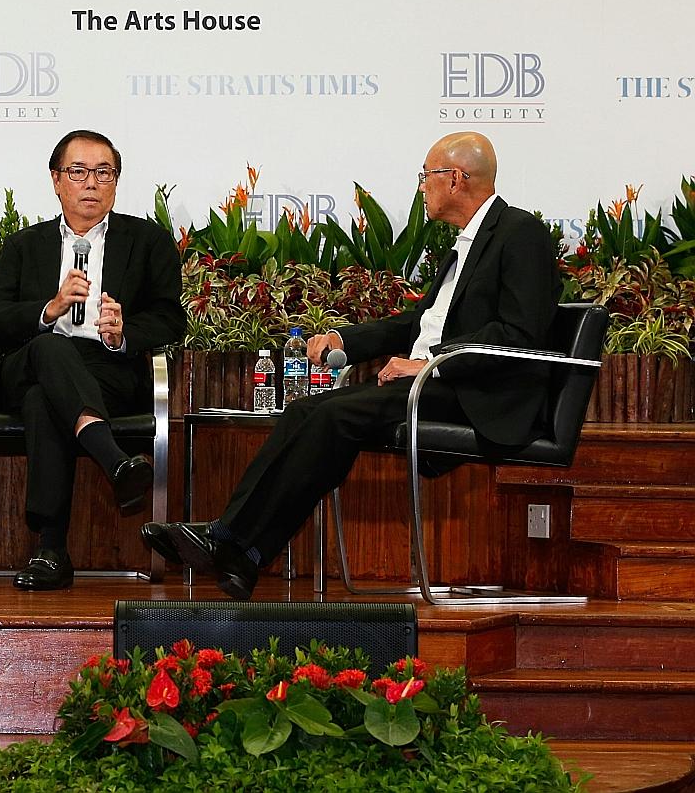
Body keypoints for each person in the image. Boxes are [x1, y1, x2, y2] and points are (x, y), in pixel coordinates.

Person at [142, 131, 560, 600]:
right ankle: (242, 550)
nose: (422, 186)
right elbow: (415, 323)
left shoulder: (519, 233)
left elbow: (518, 333)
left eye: (427, 176)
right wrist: (346, 338)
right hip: (437, 384)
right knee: (307, 412)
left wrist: (428, 365)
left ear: (456, 179)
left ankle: (234, 541)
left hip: (478, 393)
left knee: (334, 415)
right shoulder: (466, 243)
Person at [0, 129, 186, 590]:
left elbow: (171, 319)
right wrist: (49, 310)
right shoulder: (22, 246)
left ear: (116, 183)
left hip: (105, 368)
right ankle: (114, 460)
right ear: (56, 181)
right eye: (79, 172)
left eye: (103, 173)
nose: (91, 183)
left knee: (44, 401)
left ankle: (51, 550)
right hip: (27, 361)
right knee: (51, 349)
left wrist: (123, 333)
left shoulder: (147, 241)